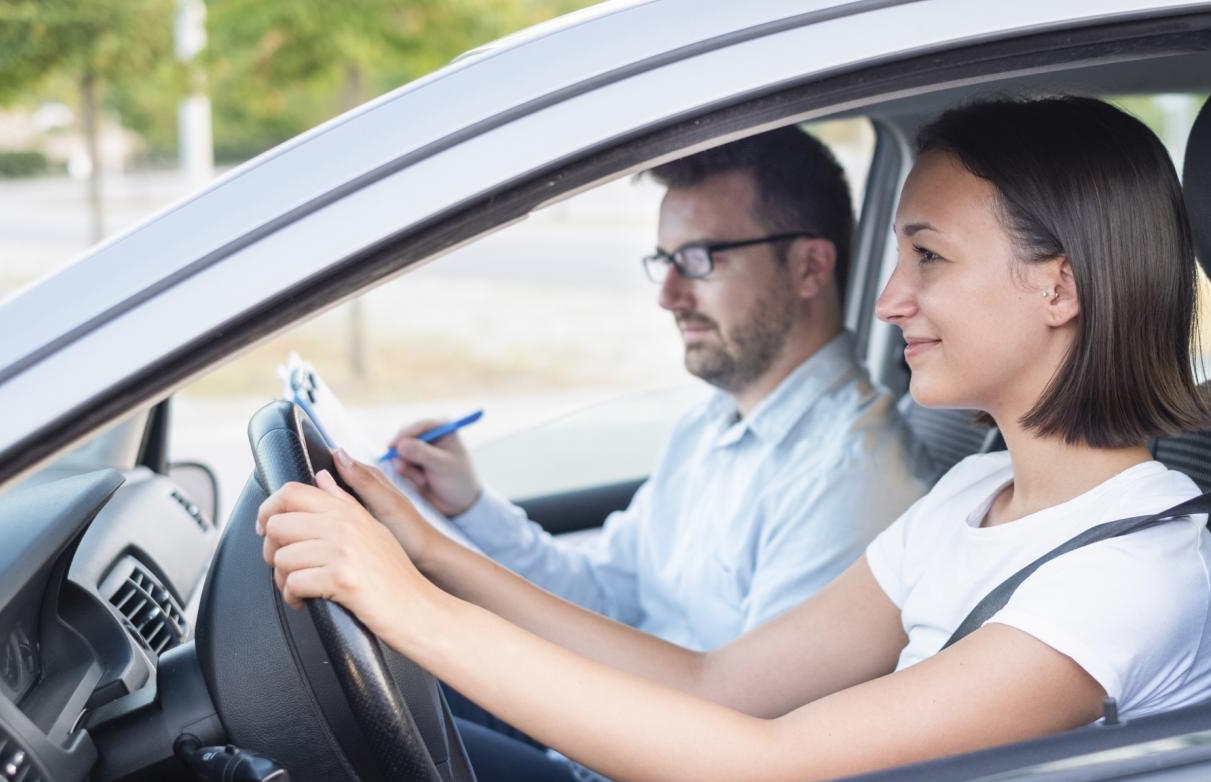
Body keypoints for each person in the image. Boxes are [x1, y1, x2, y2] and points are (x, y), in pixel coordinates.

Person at [256, 96, 1211, 782]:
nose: (890, 298)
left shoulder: (1131, 575)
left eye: (928, 258)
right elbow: (712, 684)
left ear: (1059, 288)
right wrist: (430, 554)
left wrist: (406, 605)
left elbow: (755, 767)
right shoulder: (980, 491)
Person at [387, 128, 932, 659]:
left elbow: (744, 722)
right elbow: (604, 595)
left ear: (809, 267)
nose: (668, 297)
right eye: (666, 261)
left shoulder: (850, 480)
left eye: (699, 259)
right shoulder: (709, 427)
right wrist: (469, 505)